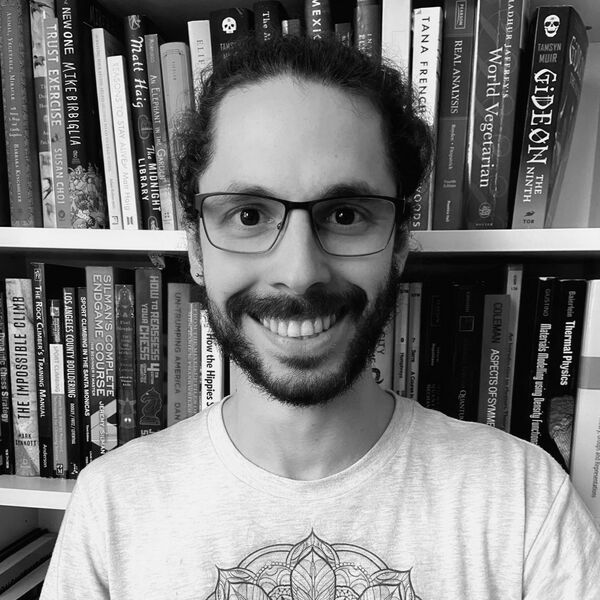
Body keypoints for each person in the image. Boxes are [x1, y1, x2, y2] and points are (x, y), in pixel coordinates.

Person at [40, 35, 600, 600]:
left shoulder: (525, 503)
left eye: (345, 214)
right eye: (249, 215)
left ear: (399, 245)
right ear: (196, 249)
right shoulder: (111, 506)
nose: (300, 272)